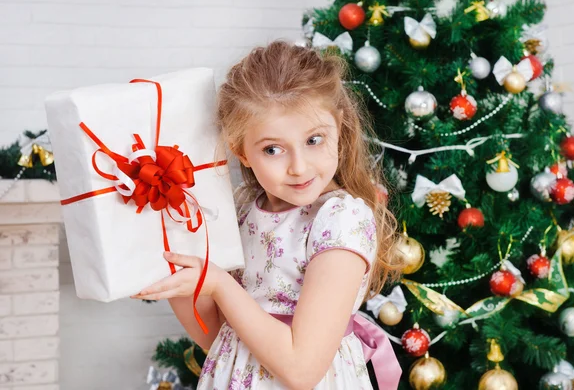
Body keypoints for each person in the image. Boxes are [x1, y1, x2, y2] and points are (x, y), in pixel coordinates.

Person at [133, 41, 404, 390]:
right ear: (240, 150)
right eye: (272, 149)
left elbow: (301, 371)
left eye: (314, 140)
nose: (298, 167)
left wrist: (218, 283)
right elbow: (215, 336)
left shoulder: (340, 220)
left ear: (338, 125)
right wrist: (177, 271)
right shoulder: (244, 208)